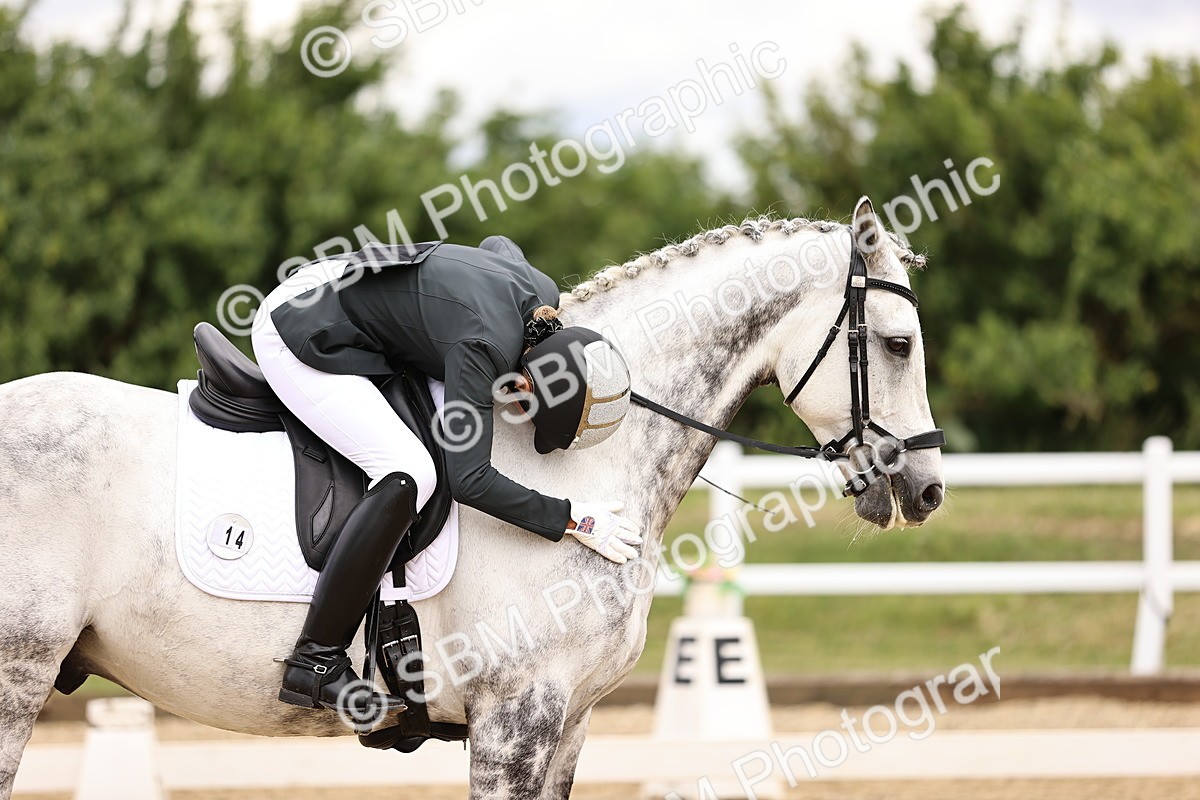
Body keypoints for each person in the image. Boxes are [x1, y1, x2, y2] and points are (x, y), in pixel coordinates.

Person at [250, 235, 642, 714]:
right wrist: (571, 518)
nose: (517, 410)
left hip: (335, 281)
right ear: (521, 382)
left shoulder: (541, 293)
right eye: (524, 406)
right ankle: (315, 659)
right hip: (299, 326)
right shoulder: (484, 349)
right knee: (410, 471)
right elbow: (470, 480)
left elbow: (498, 244)